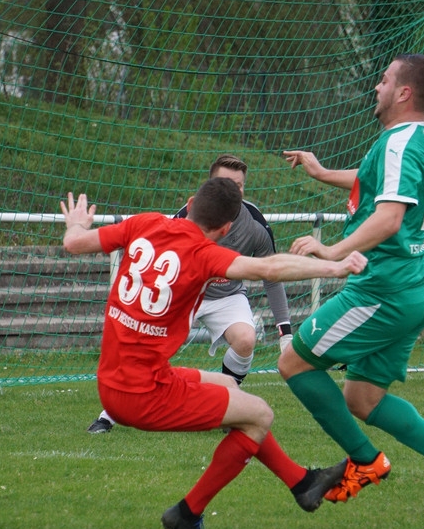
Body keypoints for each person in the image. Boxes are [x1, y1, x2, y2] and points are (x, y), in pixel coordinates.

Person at [61, 177, 367, 529]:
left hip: (117, 379)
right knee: (260, 416)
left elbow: (74, 243)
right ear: (224, 229)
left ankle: (303, 483)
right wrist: (336, 267)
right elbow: (268, 269)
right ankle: (188, 513)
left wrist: (77, 223)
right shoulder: (205, 254)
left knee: (226, 386)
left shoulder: (145, 222)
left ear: (190, 203)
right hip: (140, 394)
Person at [278, 53, 424, 527]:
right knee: (362, 399)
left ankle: (365, 461)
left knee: (294, 361)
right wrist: (322, 172)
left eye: (385, 79)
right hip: (413, 288)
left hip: (381, 292)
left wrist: (332, 252)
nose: (377, 86)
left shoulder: (400, 144)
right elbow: (377, 186)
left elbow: (389, 216)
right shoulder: (415, 137)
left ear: (404, 92)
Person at [86, 154, 293, 434]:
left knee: (246, 339)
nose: (234, 190)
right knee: (149, 351)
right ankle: (107, 416)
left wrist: (286, 331)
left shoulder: (255, 223)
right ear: (209, 186)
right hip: (184, 292)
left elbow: (271, 274)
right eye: (225, 182)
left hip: (227, 296)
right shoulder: (187, 217)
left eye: (240, 185)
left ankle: (228, 405)